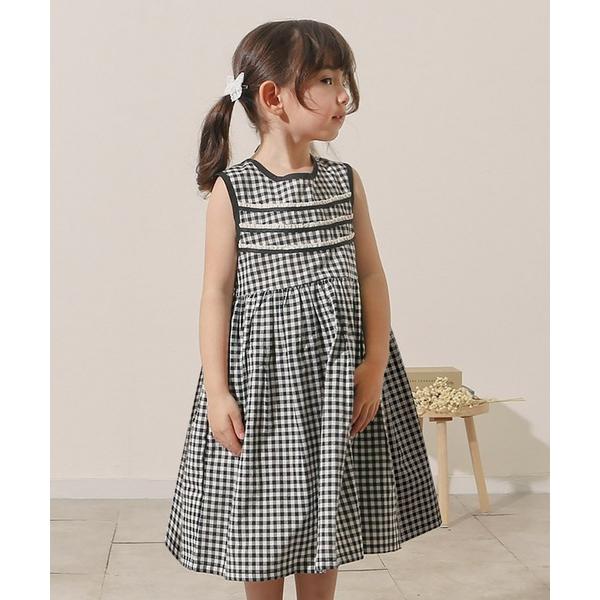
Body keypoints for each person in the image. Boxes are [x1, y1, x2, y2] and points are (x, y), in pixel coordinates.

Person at [165, 19, 442, 600]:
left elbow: (371, 275)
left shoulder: (343, 181)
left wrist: (373, 364)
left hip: (338, 380)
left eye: (344, 79)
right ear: (274, 97)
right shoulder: (235, 190)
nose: (344, 95)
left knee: (326, 509)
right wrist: (218, 390)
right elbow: (216, 292)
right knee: (264, 512)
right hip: (265, 386)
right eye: (326, 80)